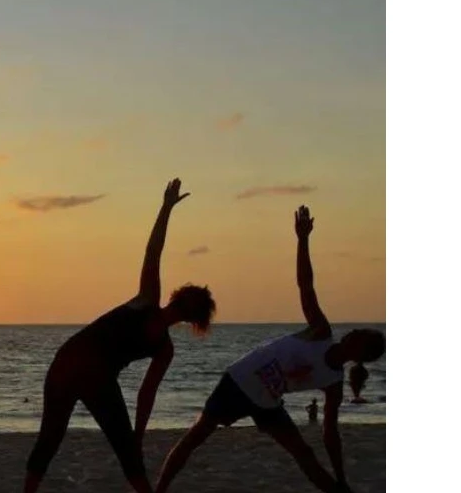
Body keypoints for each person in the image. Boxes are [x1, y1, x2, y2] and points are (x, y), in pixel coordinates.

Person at [154, 206, 386, 493]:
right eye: (358, 330)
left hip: (268, 402)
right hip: (240, 381)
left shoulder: (334, 383)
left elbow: (330, 434)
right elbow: (306, 286)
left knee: (304, 454)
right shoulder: (321, 332)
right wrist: (303, 240)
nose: (353, 332)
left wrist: (341, 478)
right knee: (196, 436)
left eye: (360, 336)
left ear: (361, 355)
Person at [24, 179, 216, 493]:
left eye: (196, 305)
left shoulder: (164, 348)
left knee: (126, 453)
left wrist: (138, 435)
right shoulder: (147, 299)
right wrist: (166, 208)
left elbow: (147, 393)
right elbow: (153, 251)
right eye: (192, 296)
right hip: (71, 362)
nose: (190, 302)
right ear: (181, 297)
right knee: (50, 438)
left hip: (97, 378)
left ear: (194, 317)